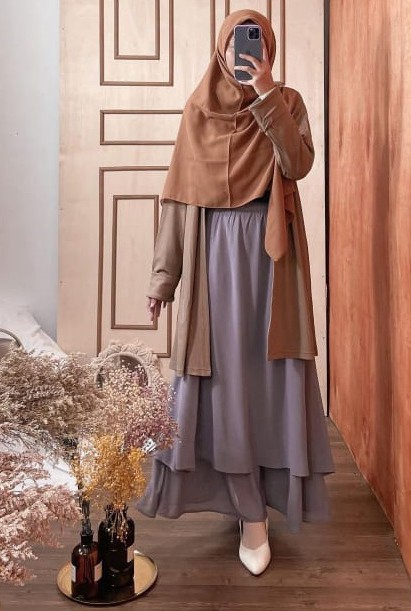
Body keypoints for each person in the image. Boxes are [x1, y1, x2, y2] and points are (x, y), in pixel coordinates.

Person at [134, 9, 335, 576]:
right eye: (238, 43)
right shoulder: (197, 111)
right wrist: (163, 280)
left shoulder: (287, 101)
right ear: (220, 49)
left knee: (266, 381)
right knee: (221, 381)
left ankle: (255, 511)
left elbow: (297, 163)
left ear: (269, 49)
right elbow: (179, 203)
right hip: (211, 263)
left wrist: (266, 92)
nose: (246, 51)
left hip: (271, 263)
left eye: (258, 42)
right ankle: (245, 508)